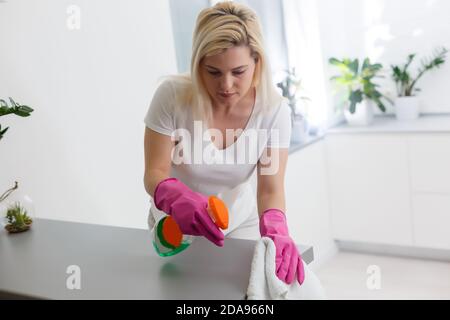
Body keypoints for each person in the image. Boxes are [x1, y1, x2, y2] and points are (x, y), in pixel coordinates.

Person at [143, 1, 304, 285]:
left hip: (240, 222)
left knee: (248, 293)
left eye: (238, 71)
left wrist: (277, 228)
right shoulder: (171, 97)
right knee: (183, 295)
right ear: (198, 64)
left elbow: (270, 190)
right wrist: (176, 196)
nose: (226, 85)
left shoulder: (274, 111)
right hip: (176, 225)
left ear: (257, 63)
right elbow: (154, 172)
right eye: (213, 72)